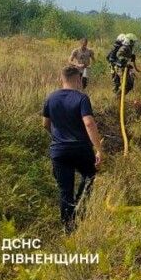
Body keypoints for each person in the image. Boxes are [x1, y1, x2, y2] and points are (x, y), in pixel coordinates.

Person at [42, 66, 103, 233]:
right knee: (89, 176)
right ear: (78, 80)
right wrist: (98, 149)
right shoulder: (82, 98)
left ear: (61, 79)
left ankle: (69, 229)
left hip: (59, 151)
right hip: (81, 148)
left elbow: (45, 124)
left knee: (65, 190)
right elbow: (89, 123)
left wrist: (57, 138)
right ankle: (81, 207)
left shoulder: (51, 98)